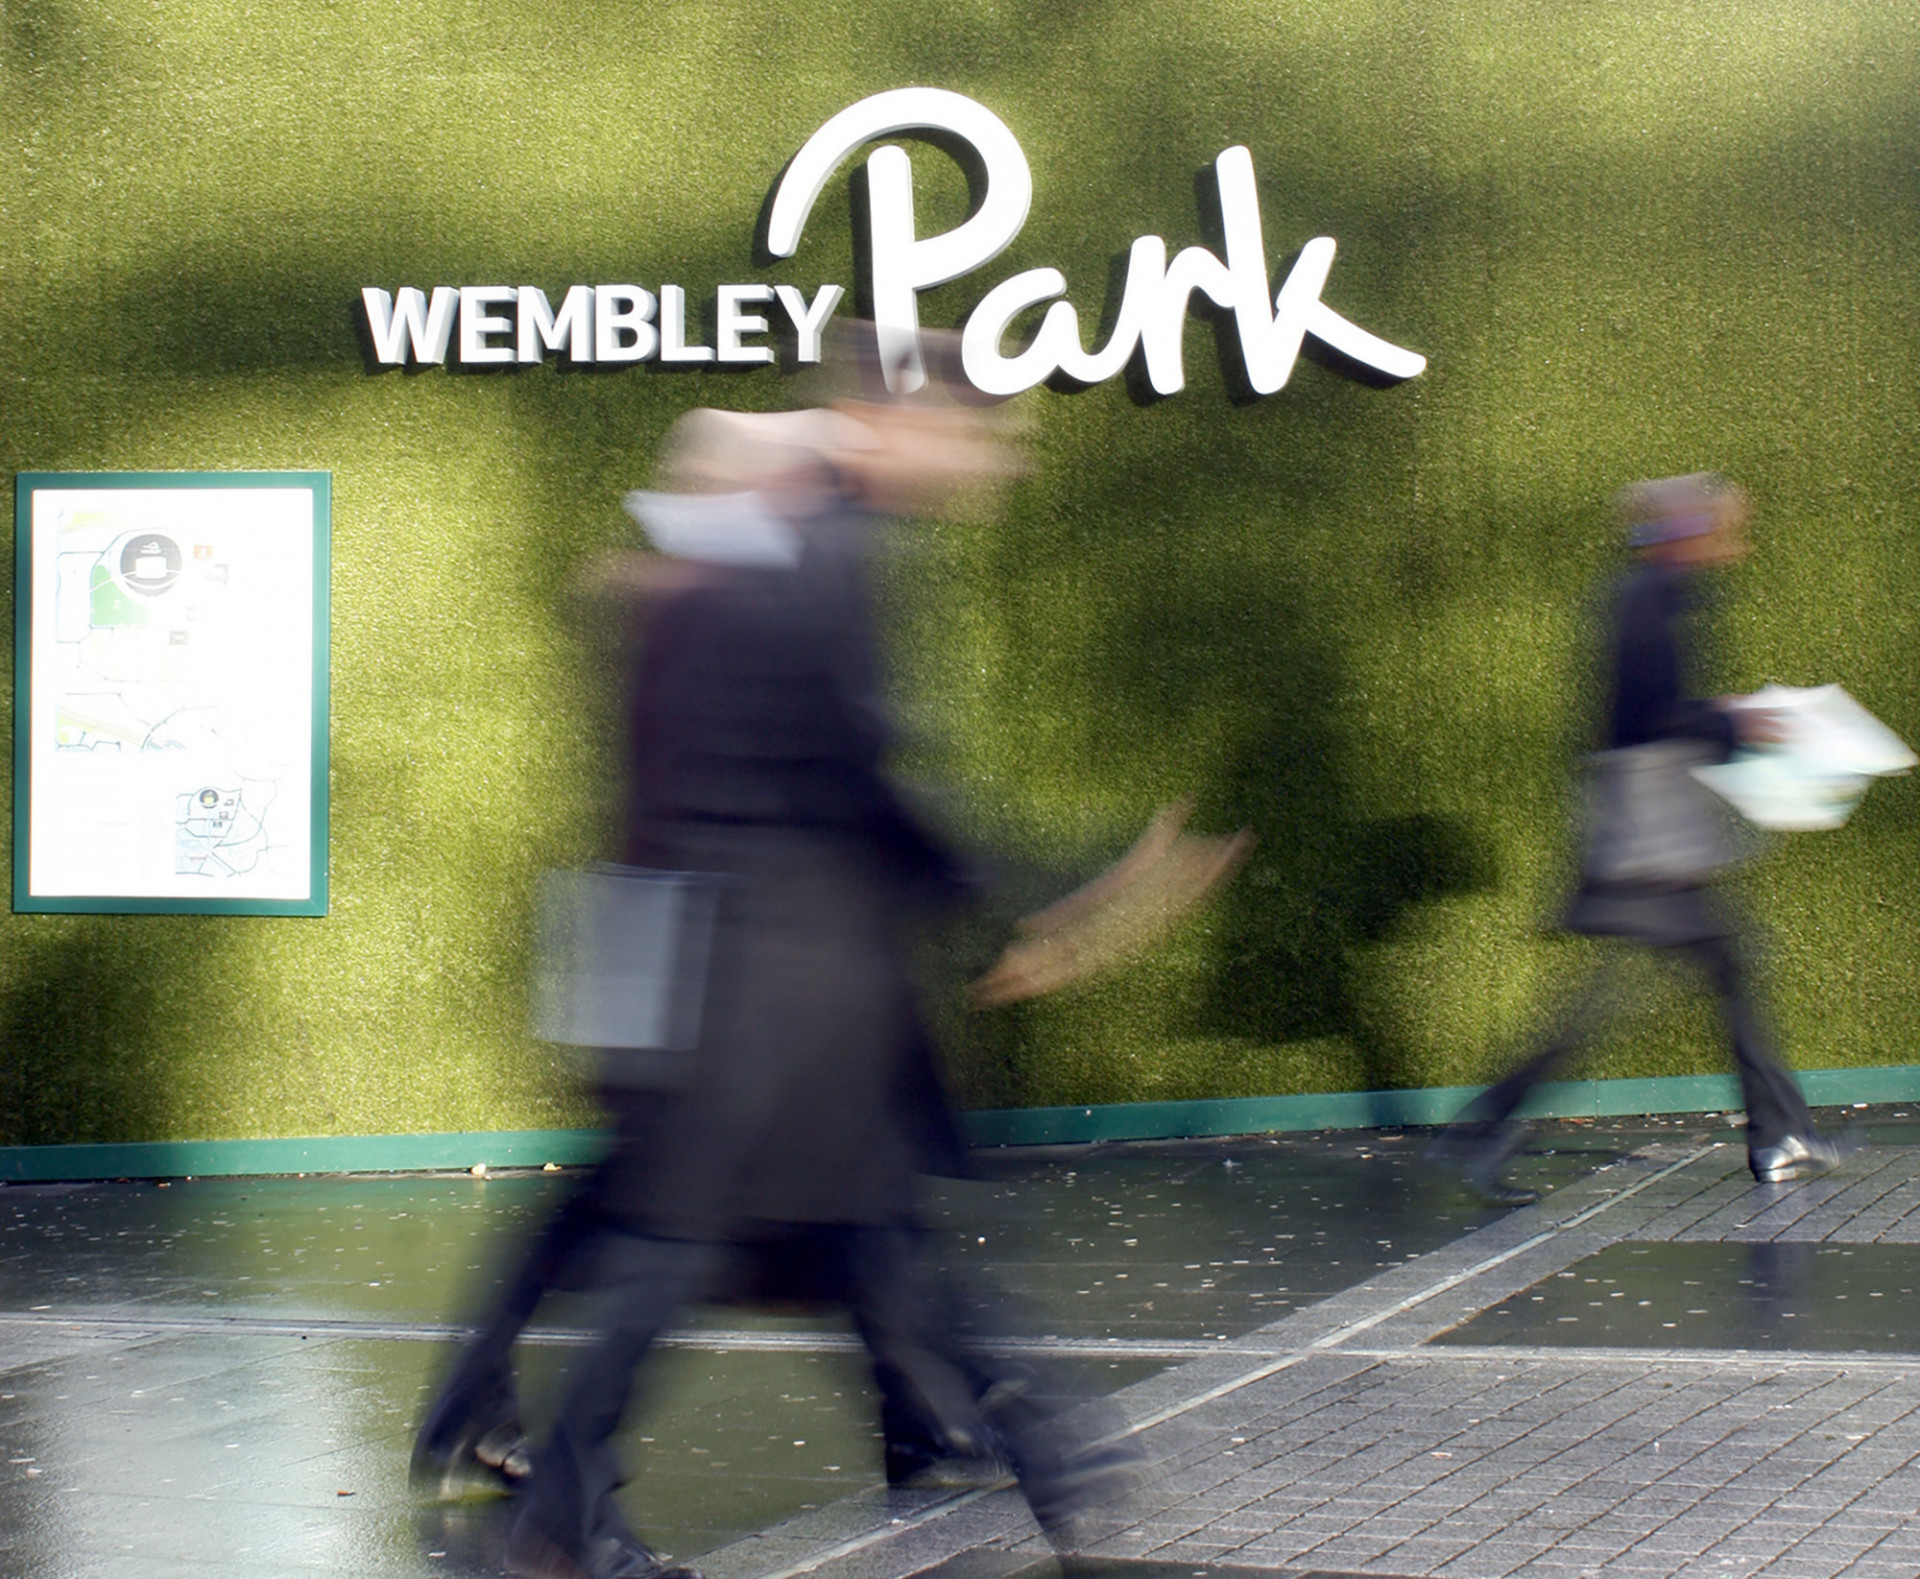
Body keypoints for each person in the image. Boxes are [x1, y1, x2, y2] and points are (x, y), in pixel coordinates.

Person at [468, 405, 1134, 1579]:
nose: (994, 460)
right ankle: (561, 1514)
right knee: (696, 1241)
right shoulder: (836, 557)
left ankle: (1035, 1444)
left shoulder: (745, 572)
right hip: (773, 971)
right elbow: (862, 771)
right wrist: (1036, 886)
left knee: (838, 1233)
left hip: (766, 966)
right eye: (974, 434)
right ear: (892, 426)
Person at [1431, 473, 1846, 1205]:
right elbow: (1654, 716)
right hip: (1655, 838)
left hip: (1647, 830)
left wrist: (1717, 714)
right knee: (1689, 976)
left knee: (1670, 978)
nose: (1733, 547)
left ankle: (1489, 1122)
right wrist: (1738, 723)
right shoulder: (1651, 600)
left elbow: (1650, 709)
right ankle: (1776, 1135)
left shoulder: (1651, 594)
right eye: (1723, 531)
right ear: (1688, 531)